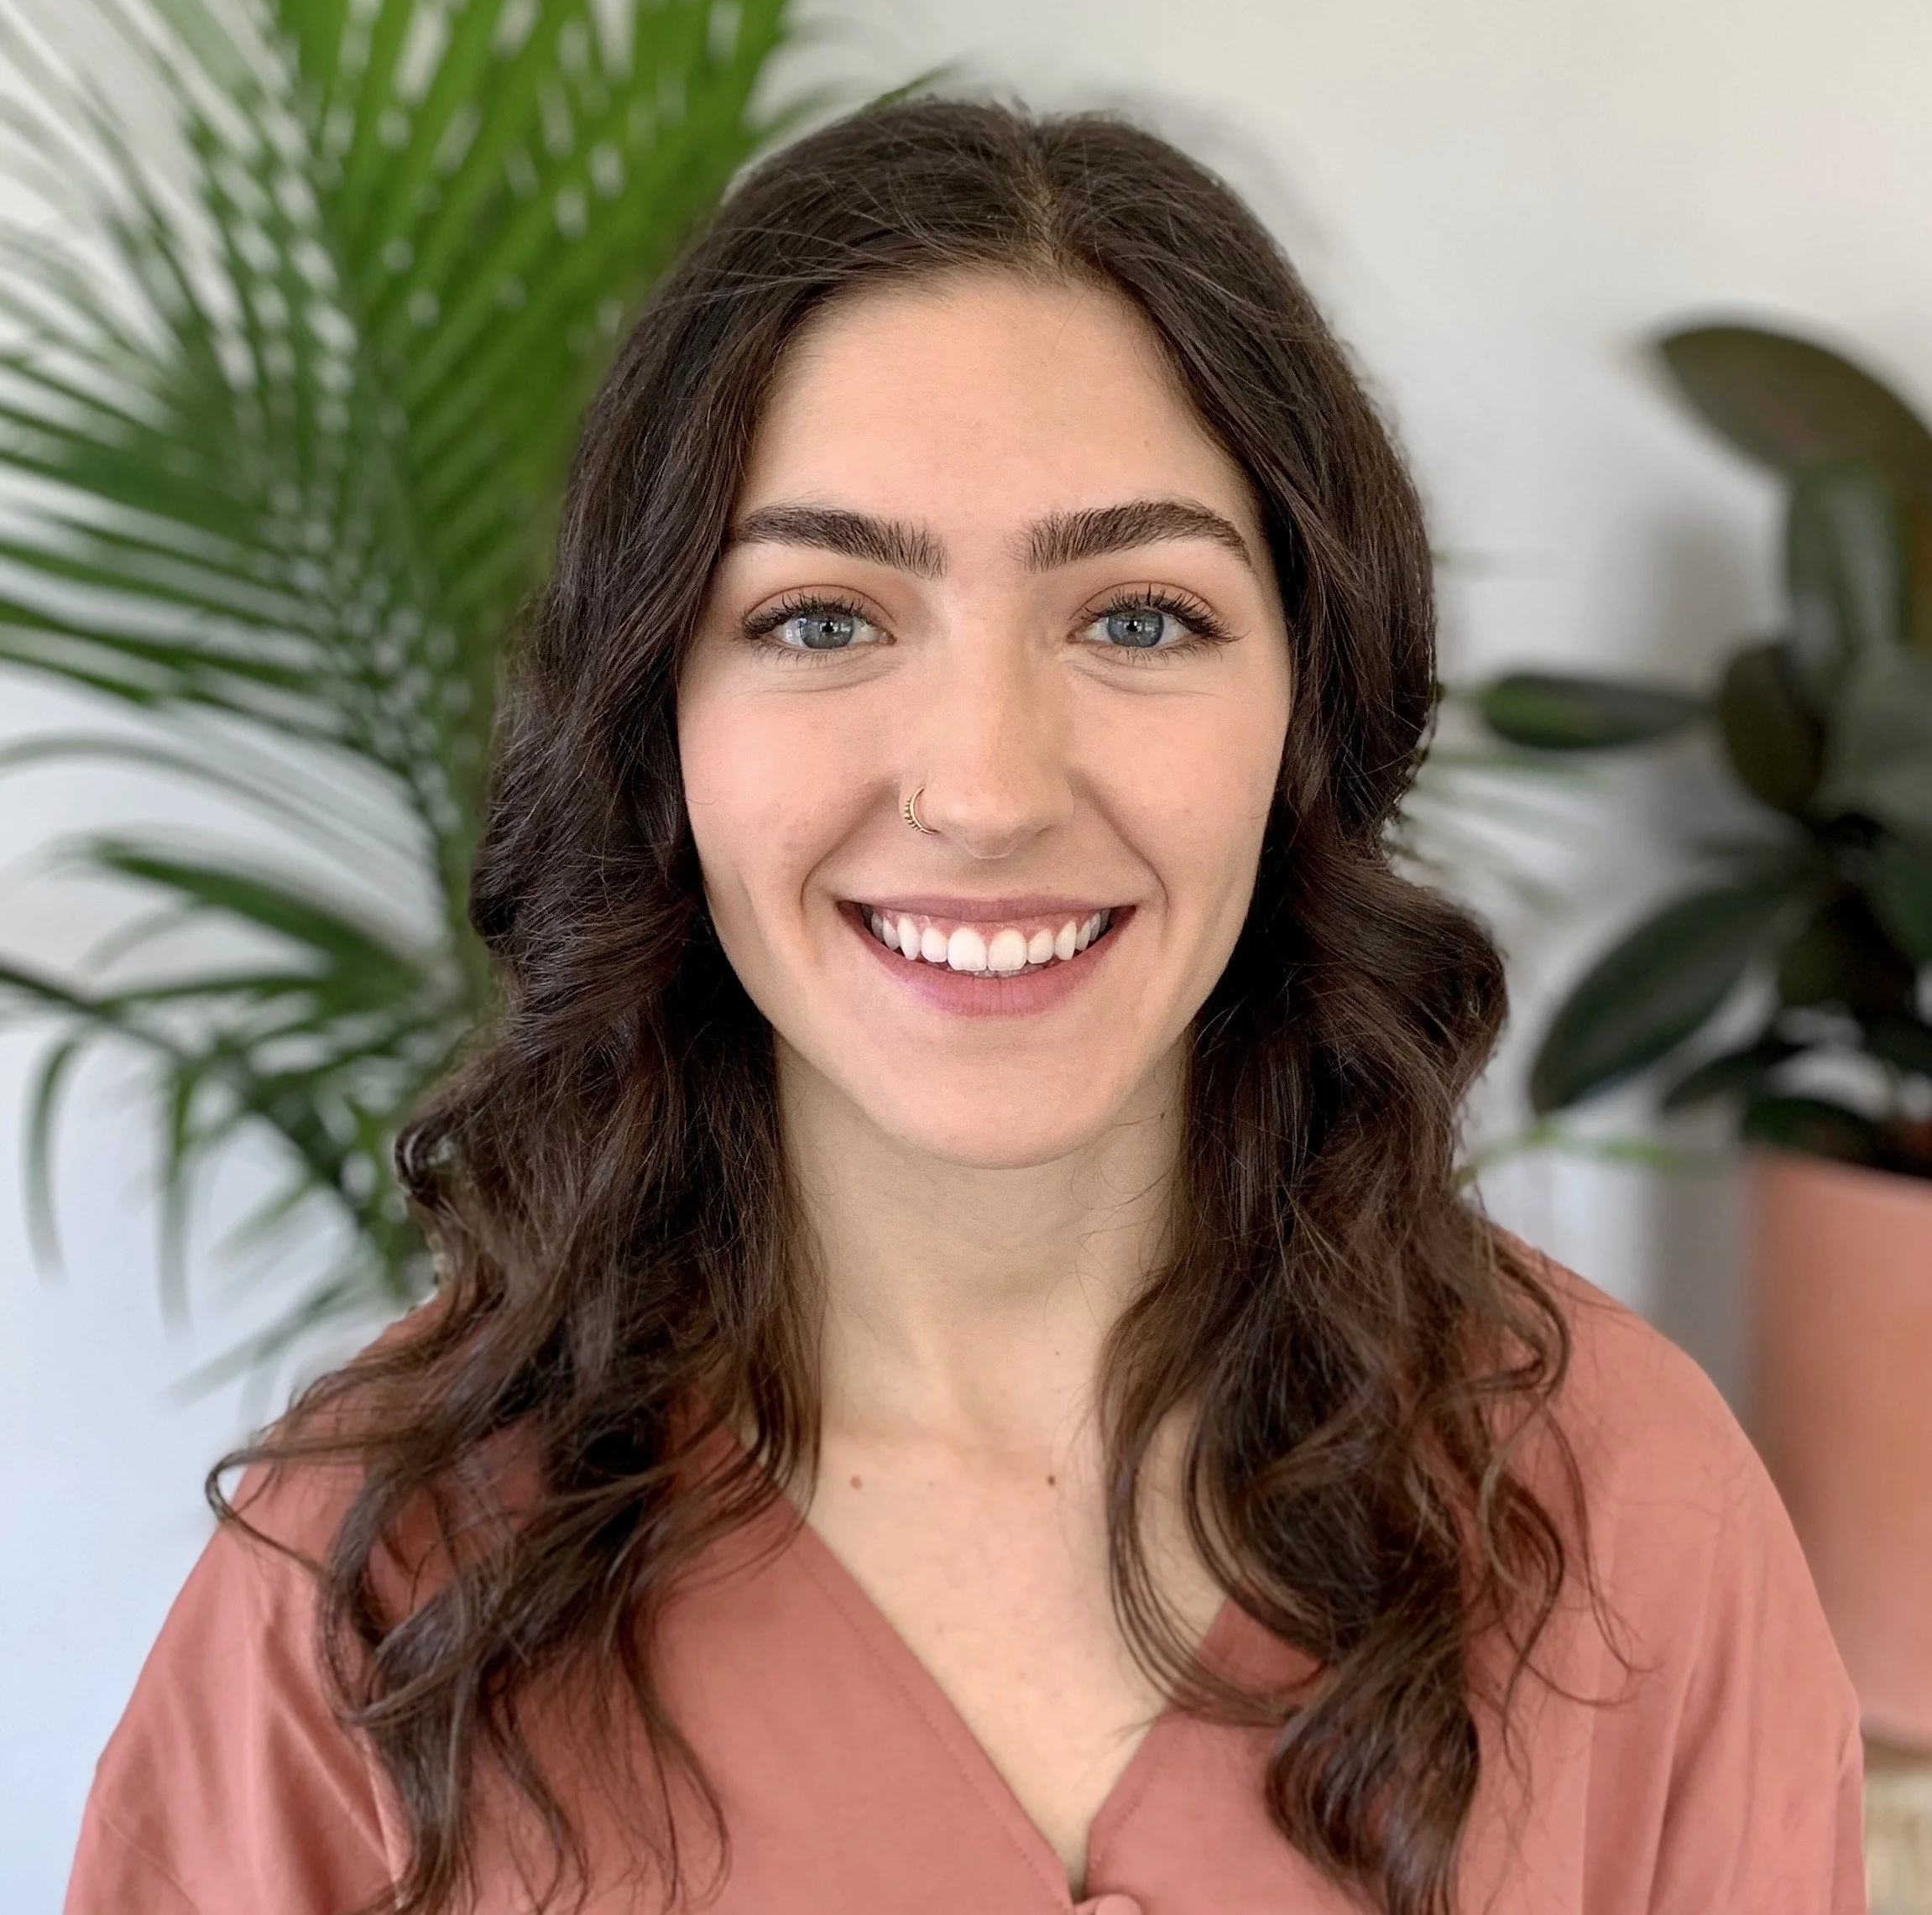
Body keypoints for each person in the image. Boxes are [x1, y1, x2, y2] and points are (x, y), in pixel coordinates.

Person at [64, 100, 1864, 1915]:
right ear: (657, 726)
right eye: (823, 619)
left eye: (1139, 618)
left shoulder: (1617, 1513)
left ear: (1306, 719)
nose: (985, 789)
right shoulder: (374, 1594)